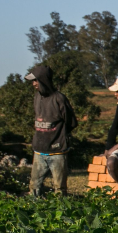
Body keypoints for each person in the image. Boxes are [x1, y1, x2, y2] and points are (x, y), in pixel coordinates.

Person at [25, 65, 77, 196]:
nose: (34, 84)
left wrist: (58, 136)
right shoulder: (37, 97)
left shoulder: (59, 99)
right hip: (39, 150)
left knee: (59, 189)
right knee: (34, 187)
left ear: (43, 80)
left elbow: (71, 122)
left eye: (36, 80)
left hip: (57, 151)